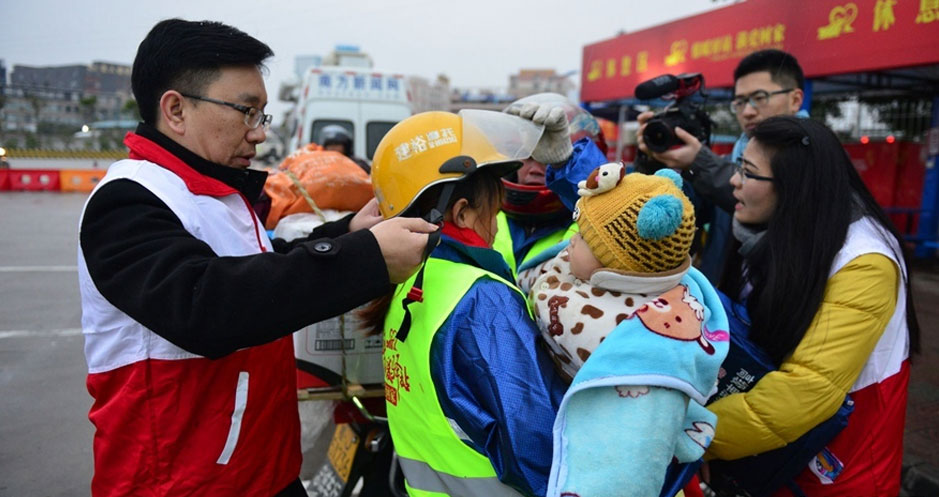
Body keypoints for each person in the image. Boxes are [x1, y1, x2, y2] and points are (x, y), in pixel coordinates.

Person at [77, 19, 434, 497]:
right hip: (181, 483)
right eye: (246, 112)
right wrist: (366, 259)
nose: (259, 135)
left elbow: (265, 260)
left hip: (266, 469)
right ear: (176, 109)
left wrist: (347, 234)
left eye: (262, 115)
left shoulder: (217, 194)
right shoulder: (128, 200)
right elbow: (207, 304)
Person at [704, 116, 921, 496]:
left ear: (795, 188)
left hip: (839, 472)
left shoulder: (864, 261)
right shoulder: (774, 232)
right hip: (771, 460)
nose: (734, 182)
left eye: (748, 172)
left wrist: (689, 434)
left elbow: (805, 392)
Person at [362, 110, 568, 497]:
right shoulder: (482, 299)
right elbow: (537, 447)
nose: (497, 221)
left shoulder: (406, 279)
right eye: (495, 208)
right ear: (461, 212)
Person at [528, 166, 729, 497]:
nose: (570, 240)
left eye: (584, 238)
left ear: (615, 269)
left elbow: (630, 462)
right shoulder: (579, 270)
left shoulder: (645, 354)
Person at [636, 49, 807, 283]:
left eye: (759, 98)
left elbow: (783, 209)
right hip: (719, 298)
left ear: (795, 99)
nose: (747, 111)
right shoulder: (731, 161)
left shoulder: (814, 159)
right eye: (740, 102)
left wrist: (700, 161)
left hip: (767, 301)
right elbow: (688, 212)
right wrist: (653, 160)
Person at [495, 93, 608, 292]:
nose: (535, 168)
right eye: (527, 156)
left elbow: (614, 207)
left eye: (547, 159)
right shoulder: (483, 212)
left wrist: (566, 163)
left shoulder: (591, 225)